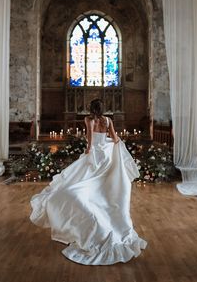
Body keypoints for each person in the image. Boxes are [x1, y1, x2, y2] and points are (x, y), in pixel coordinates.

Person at [30, 99, 147, 265]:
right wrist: (118, 150)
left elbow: (90, 138)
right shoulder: (108, 120)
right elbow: (114, 138)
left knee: (82, 179)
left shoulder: (89, 120)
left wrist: (88, 151)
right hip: (106, 154)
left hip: (96, 153)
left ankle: (87, 205)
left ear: (90, 109)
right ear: (103, 108)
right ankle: (101, 203)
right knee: (102, 184)